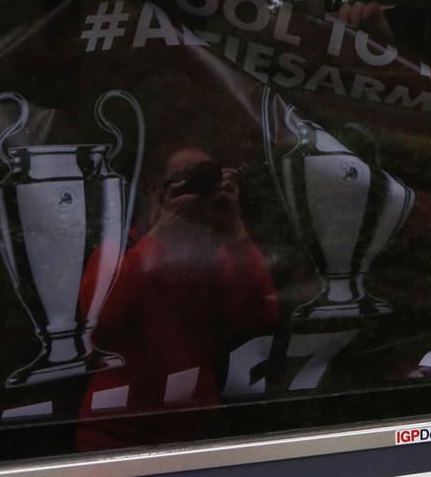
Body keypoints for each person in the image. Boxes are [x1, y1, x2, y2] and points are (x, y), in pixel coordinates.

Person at [75, 144, 279, 452]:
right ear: (155, 190)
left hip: (190, 435)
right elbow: (96, 326)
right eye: (184, 179)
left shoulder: (216, 254)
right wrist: (162, 233)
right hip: (113, 435)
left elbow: (262, 317)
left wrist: (233, 227)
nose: (194, 189)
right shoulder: (121, 250)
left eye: (204, 178)